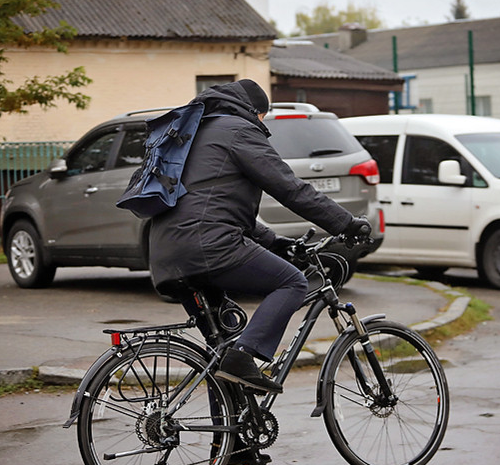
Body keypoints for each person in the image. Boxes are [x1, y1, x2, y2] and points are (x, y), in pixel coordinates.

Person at [149, 79, 370, 394]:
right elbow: (289, 188)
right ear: (254, 111)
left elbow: (214, 206)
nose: (262, 123)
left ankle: (231, 426)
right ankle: (244, 356)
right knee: (293, 283)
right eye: (263, 117)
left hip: (167, 254)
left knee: (221, 355)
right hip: (208, 247)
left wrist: (275, 242)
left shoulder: (194, 132)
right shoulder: (239, 130)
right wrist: (345, 224)